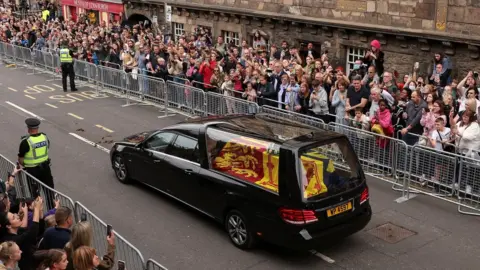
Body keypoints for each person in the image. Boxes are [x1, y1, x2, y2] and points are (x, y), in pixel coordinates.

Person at [18, 118, 55, 191]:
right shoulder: (45, 138)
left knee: (34, 194)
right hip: (46, 168)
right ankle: (51, 202)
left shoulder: (26, 142)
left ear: (28, 129)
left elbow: (20, 159)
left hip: (32, 171)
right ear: (37, 128)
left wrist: (25, 165)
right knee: (49, 192)